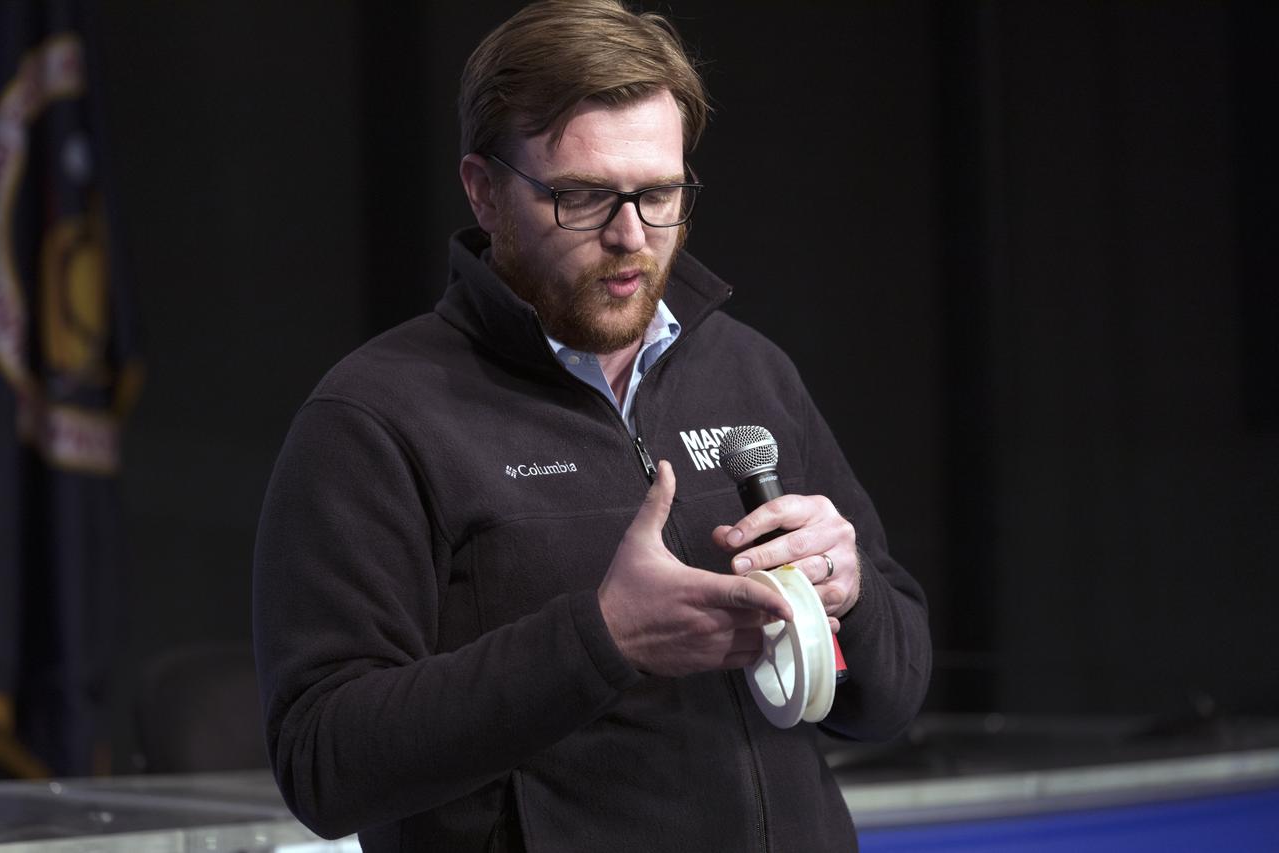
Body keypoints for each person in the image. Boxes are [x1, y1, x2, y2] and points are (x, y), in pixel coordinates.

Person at [253, 1, 931, 850]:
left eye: (660, 194)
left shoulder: (752, 372)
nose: (631, 236)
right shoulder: (374, 418)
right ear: (484, 190)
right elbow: (321, 761)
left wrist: (850, 591)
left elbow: (891, 698)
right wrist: (602, 637)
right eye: (581, 198)